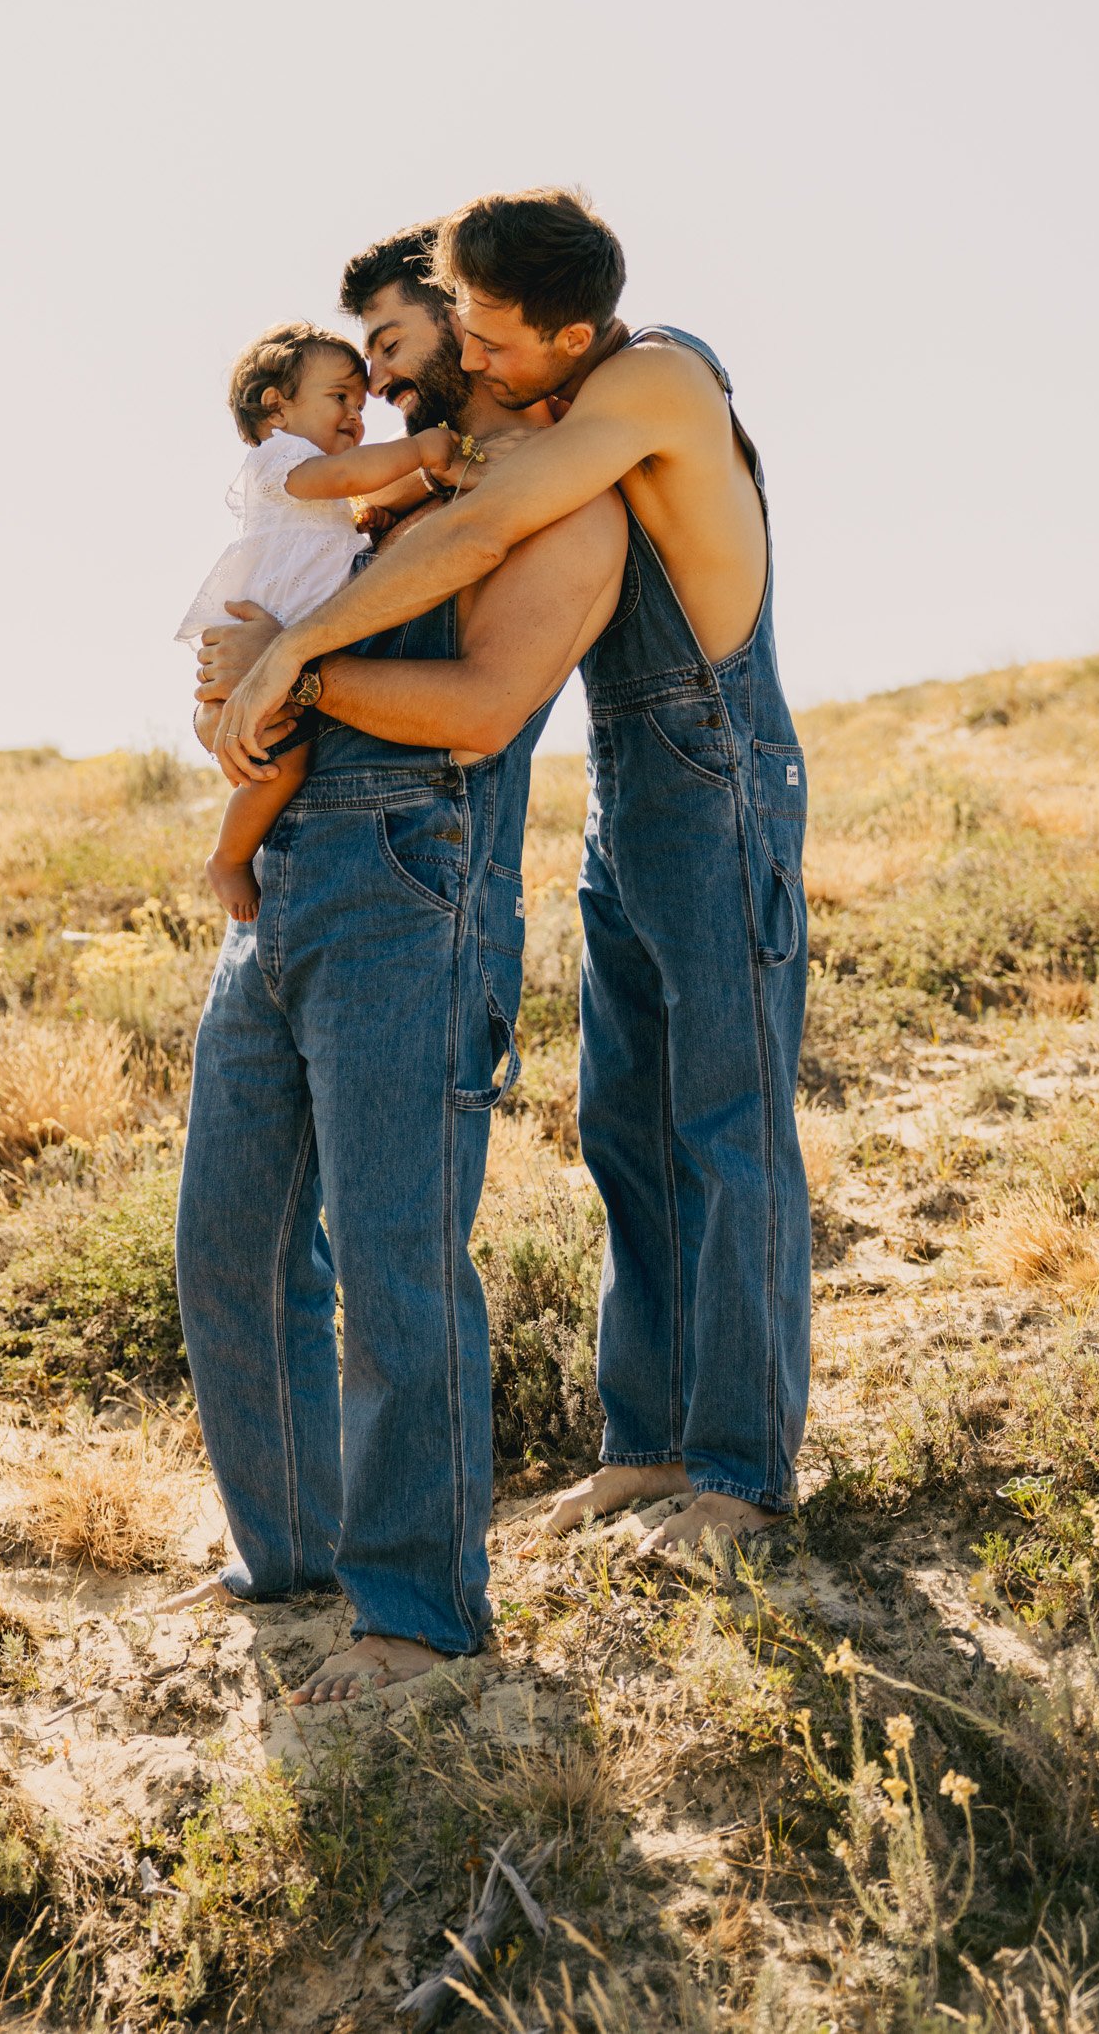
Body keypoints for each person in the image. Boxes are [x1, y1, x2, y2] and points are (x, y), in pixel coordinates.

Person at [203, 190, 812, 1560]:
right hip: (634, 789)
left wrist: (297, 654)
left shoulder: (653, 380)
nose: (468, 354)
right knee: (628, 1121)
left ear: (570, 333)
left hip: (724, 782)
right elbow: (456, 509)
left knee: (728, 1120)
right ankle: (650, 1444)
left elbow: (484, 530)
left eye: (484, 332)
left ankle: (743, 1469)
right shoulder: (554, 407)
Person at [177, 271, 626, 1703]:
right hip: (282, 886)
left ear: (464, 328)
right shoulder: (368, 508)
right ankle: (292, 1555)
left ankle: (419, 1612)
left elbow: (481, 710)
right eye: (356, 356)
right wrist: (240, 696)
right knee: (229, 1244)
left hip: (409, 896)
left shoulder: (555, 504)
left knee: (395, 1260)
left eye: (391, 341)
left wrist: (290, 670)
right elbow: (268, 677)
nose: (373, 379)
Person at [175, 322, 471, 917]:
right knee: (280, 767)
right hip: (261, 644)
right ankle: (229, 857)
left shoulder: (315, 483)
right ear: (276, 407)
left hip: (283, 647)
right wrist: (418, 450)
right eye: (340, 397)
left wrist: (365, 524)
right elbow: (346, 476)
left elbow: (338, 517)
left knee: (282, 761)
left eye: (360, 405)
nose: (355, 417)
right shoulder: (279, 457)